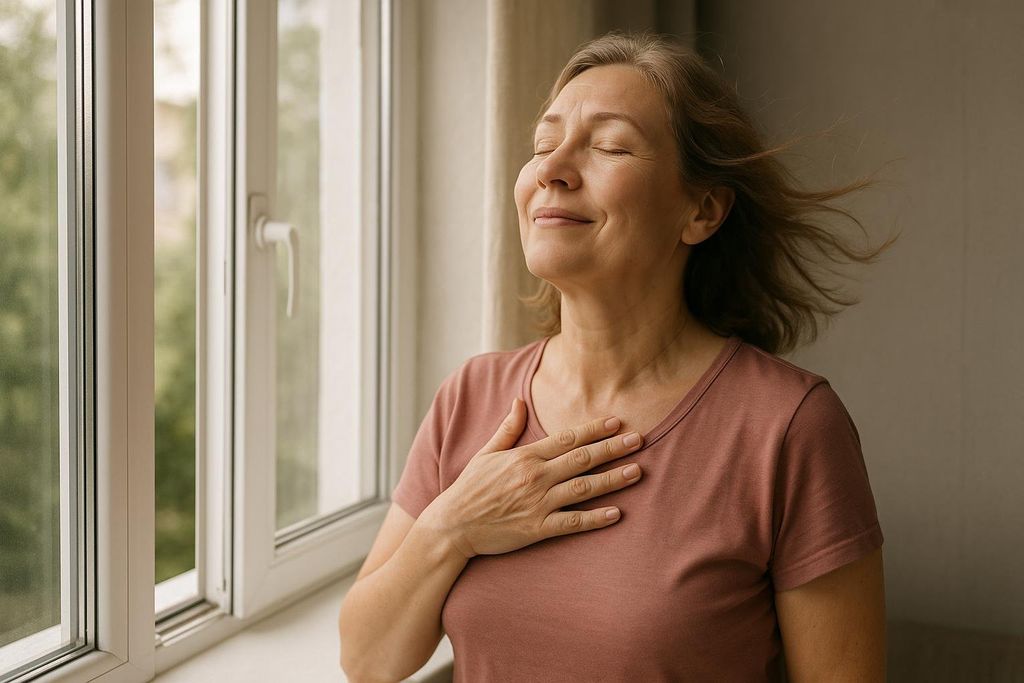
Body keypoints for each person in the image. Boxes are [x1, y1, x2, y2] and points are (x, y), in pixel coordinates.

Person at [339, 29, 895, 683]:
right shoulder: (472, 395)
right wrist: (452, 526)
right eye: (542, 145)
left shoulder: (791, 427)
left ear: (702, 209)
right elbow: (367, 661)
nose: (551, 168)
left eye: (608, 146)